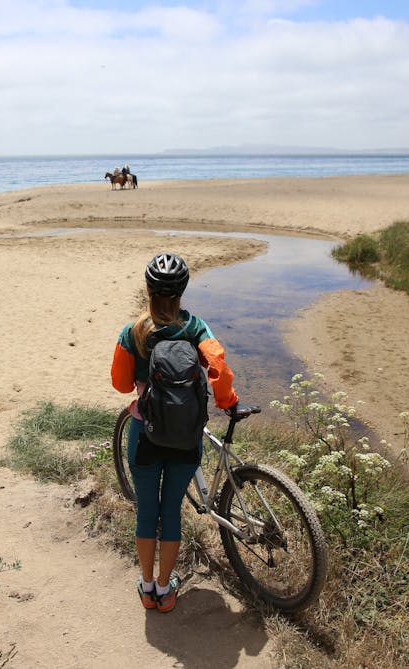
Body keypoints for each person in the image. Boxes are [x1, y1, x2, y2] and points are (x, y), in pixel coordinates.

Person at [111, 252, 239, 613]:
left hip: (144, 434)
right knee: (171, 512)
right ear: (182, 290)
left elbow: (120, 385)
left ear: (148, 289)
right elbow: (220, 371)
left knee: (146, 510)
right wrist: (227, 401)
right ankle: (167, 590)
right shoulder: (197, 328)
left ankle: (147, 587)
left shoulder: (131, 332)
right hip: (185, 438)